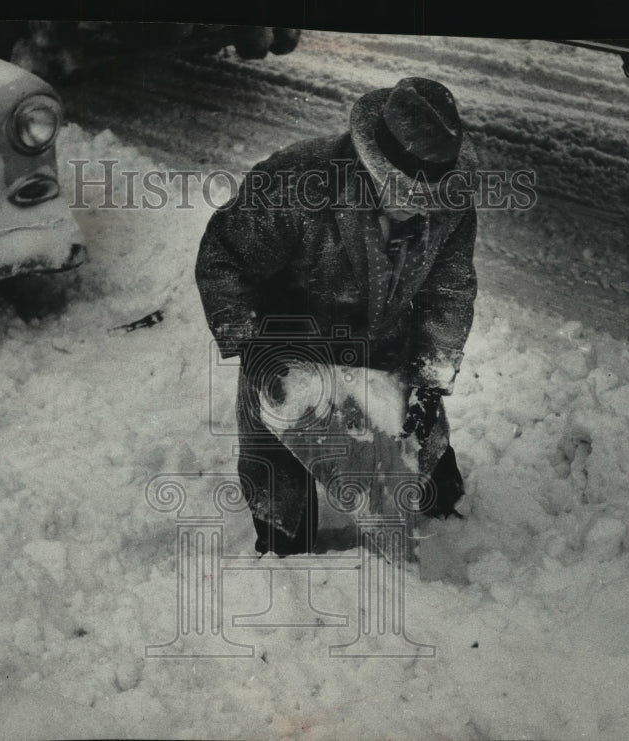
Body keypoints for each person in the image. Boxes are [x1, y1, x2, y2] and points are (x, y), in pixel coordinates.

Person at [196, 77, 478, 555]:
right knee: (282, 500)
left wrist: (429, 381)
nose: (418, 207)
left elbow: (448, 290)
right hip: (289, 347)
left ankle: (436, 507)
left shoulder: (449, 199)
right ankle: (286, 539)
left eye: (427, 197)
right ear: (373, 162)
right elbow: (222, 259)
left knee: (426, 471)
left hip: (384, 343)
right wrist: (252, 343)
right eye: (406, 192)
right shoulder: (295, 181)